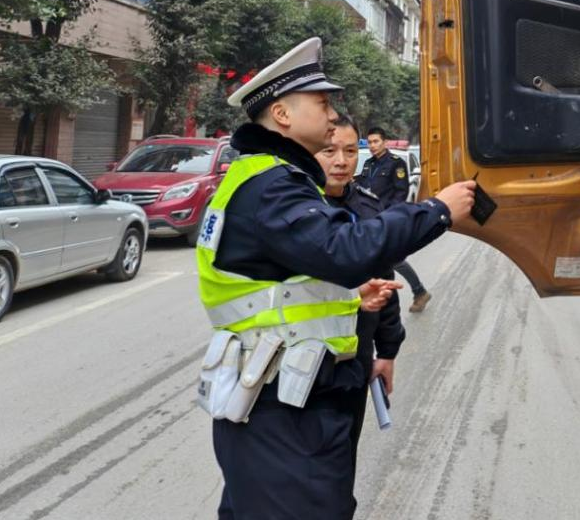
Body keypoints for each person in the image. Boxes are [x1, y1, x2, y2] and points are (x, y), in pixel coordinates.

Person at [195, 37, 476, 520]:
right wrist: (436, 210)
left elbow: (287, 279)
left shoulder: (270, 177)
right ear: (282, 114)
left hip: (286, 402)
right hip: (281, 412)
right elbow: (346, 251)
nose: (331, 116)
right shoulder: (272, 184)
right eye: (322, 104)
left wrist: (352, 296)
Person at [315, 115, 406, 459]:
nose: (341, 161)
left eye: (351, 151)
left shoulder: (367, 205)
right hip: (300, 354)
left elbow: (385, 283)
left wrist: (387, 351)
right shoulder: (296, 207)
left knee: (342, 458)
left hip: (356, 355)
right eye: (329, 150)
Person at [358, 126, 433, 312]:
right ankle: (417, 292)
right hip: (368, 217)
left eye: (376, 141)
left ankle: (418, 292)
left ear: (384, 142)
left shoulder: (396, 163)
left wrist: (388, 215)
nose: (373, 146)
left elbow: (401, 192)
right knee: (384, 258)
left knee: (392, 258)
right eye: (370, 142)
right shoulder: (368, 164)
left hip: (385, 218)